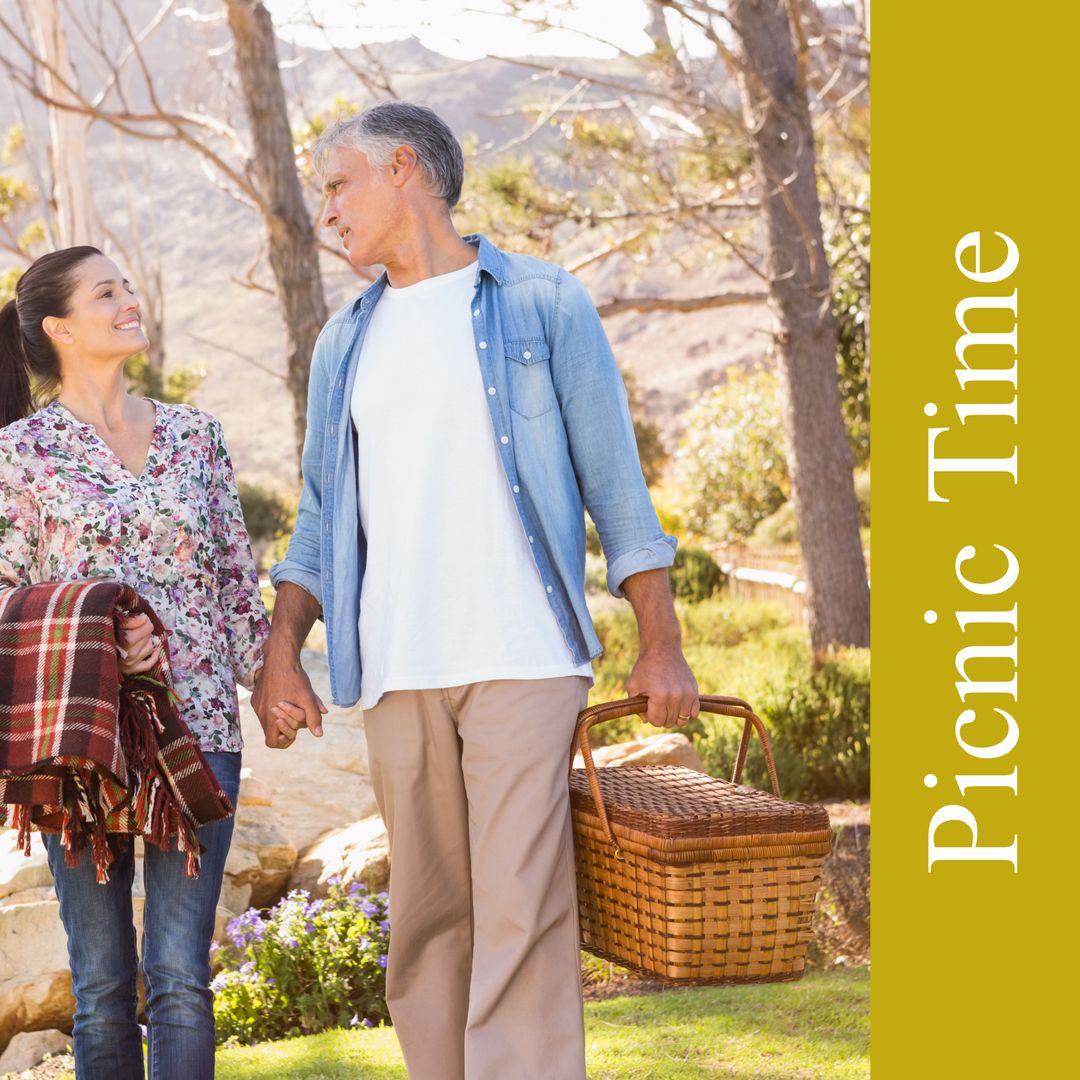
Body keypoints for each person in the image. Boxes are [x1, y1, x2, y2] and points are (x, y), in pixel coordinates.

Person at [253, 101, 698, 1080]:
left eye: (338, 185)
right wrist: (284, 647)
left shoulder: (542, 302)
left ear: (403, 168)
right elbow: (323, 516)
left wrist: (659, 639)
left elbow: (616, 488)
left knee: (520, 913)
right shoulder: (345, 344)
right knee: (426, 924)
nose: (327, 210)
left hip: (523, 657)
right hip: (397, 667)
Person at [0, 246, 269, 1080]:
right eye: (105, 292)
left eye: (126, 286)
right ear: (60, 328)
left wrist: (274, 680)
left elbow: (232, 577)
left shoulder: (195, 435)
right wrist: (100, 634)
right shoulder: (19, 453)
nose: (129, 300)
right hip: (83, 747)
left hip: (199, 726)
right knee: (103, 985)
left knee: (182, 975)